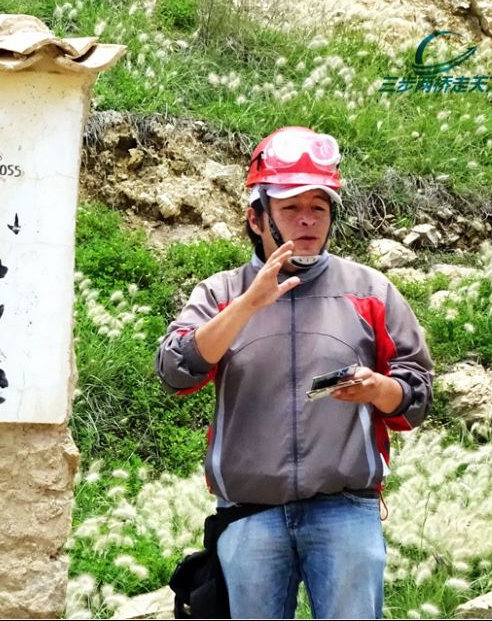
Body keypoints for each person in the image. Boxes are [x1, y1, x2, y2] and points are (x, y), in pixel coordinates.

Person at [155, 126, 433, 619]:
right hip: (250, 515)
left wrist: (379, 389)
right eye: (290, 208)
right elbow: (175, 370)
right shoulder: (221, 292)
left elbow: (417, 394)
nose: (307, 220)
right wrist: (247, 305)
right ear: (256, 217)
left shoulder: (370, 291)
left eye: (319, 207)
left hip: (345, 511)